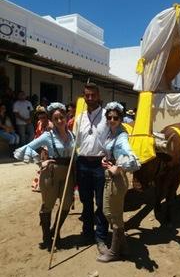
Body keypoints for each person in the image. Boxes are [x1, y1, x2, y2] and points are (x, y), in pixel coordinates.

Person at [14, 102, 75, 250]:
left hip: (68, 174)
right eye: (56, 119)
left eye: (62, 117)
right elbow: (23, 149)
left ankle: (56, 230)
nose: (60, 121)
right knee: (48, 205)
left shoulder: (72, 134)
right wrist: (40, 162)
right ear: (51, 120)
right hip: (51, 174)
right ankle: (47, 236)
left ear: (66, 117)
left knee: (66, 204)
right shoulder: (48, 136)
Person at [97, 102, 140, 262]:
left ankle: (115, 252)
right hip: (110, 176)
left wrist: (119, 167)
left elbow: (131, 157)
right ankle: (124, 247)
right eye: (109, 117)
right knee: (112, 213)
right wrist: (106, 159)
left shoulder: (121, 136)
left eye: (116, 117)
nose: (112, 120)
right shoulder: (111, 133)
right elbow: (111, 151)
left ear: (121, 119)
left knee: (111, 214)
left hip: (116, 179)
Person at [74, 83, 109, 254]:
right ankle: (87, 231)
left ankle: (101, 237)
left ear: (98, 95)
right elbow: (74, 142)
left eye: (93, 95)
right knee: (85, 200)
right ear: (84, 96)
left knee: (102, 202)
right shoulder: (79, 117)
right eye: (87, 95)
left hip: (100, 165)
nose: (90, 98)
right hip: (82, 163)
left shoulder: (107, 116)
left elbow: (117, 137)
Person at [31, 106, 53, 192]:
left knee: (46, 167)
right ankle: (41, 185)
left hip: (48, 148)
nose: (42, 119)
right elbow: (37, 135)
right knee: (43, 166)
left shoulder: (50, 125)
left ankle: (42, 185)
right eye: (40, 117)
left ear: (47, 116)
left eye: (43, 117)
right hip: (42, 147)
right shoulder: (39, 123)